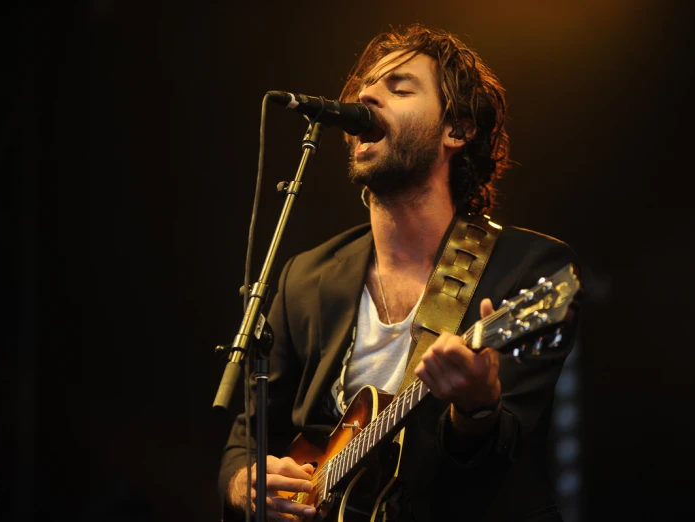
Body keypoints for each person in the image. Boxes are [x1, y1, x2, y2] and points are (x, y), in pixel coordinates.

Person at [218, 23, 581, 522]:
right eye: (367, 85)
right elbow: (248, 434)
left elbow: (502, 461)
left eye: (400, 87)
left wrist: (475, 408)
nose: (367, 93)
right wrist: (245, 484)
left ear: (457, 130)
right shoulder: (307, 276)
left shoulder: (527, 270)